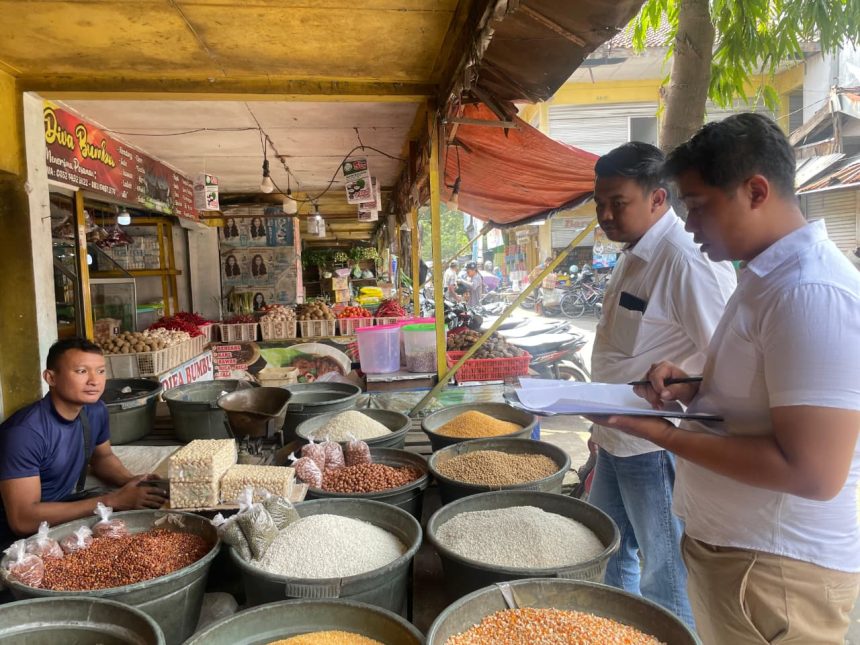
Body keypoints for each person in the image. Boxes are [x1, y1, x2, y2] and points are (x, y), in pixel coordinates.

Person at [595, 114, 860, 645]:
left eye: (696, 205)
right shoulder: (765, 276)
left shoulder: (811, 293)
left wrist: (664, 433)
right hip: (738, 555)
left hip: (773, 570)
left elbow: (813, 471)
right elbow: (760, 393)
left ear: (755, 191)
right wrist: (692, 386)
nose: (688, 223)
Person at [587, 141, 736, 629]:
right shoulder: (633, 253)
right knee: (608, 554)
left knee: (665, 573)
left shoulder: (686, 260)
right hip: (616, 439)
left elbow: (725, 358)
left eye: (618, 203)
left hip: (653, 446)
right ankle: (623, 636)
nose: (606, 214)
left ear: (658, 199)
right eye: (600, 203)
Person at [0, 338, 167, 550]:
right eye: (81, 371)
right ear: (51, 377)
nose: (94, 381)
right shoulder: (25, 433)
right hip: (17, 537)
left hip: (66, 505)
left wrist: (129, 482)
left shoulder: (95, 410)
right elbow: (21, 520)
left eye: (100, 371)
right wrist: (112, 501)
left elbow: (102, 457)